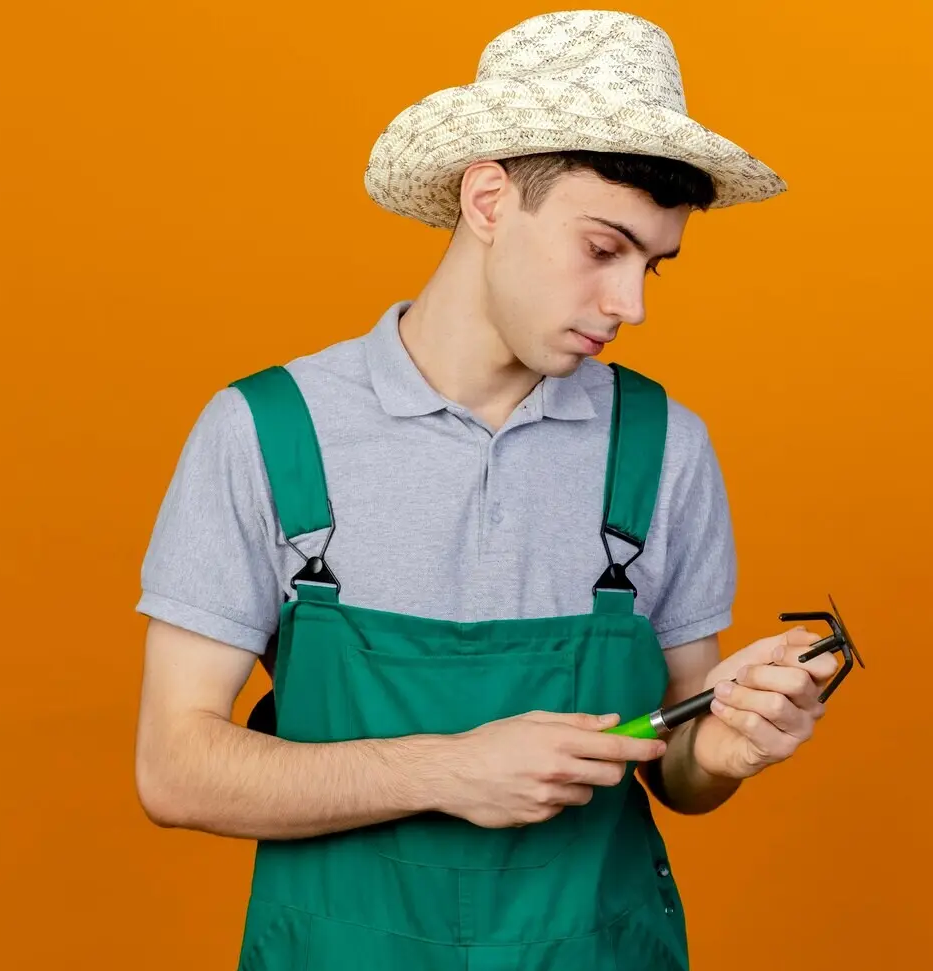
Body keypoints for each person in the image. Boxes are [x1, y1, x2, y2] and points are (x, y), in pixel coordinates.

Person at [132, 10, 838, 970]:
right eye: (603, 249)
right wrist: (450, 767)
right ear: (489, 199)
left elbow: (676, 764)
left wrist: (726, 749)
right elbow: (174, 770)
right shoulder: (266, 432)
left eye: (653, 265)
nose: (630, 304)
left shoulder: (663, 446)